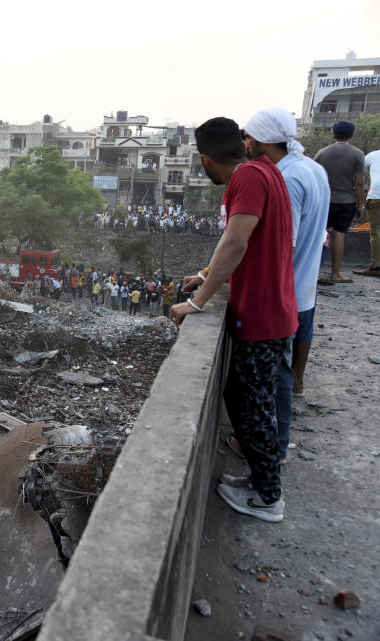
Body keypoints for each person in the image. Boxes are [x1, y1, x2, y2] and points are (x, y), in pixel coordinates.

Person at [172, 117, 296, 523]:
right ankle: (261, 484)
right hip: (273, 307)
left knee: (252, 406)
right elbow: (244, 242)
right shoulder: (266, 171)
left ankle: (268, 498)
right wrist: (207, 274)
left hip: (263, 314)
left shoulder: (247, 180)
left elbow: (237, 241)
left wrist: (198, 302)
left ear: (205, 160)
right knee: (246, 400)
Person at [242, 107, 330, 463]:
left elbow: (283, 243)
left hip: (285, 290)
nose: (245, 144)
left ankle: (273, 450)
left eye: (248, 137)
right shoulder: (314, 168)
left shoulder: (288, 177)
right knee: (285, 369)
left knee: (275, 374)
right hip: (304, 286)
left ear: (262, 140)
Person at [314, 121, 365, 283]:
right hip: (346, 202)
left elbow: (314, 176)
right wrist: (361, 205)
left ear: (334, 134)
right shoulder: (357, 154)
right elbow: (359, 183)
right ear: (351, 135)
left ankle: (312, 272)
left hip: (324, 200)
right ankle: (335, 274)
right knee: (339, 236)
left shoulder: (322, 152)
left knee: (318, 236)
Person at [352, 144, 380, 277]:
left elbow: (357, 173)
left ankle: (376, 267)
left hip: (376, 197)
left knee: (377, 233)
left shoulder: (372, 156)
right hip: (376, 197)